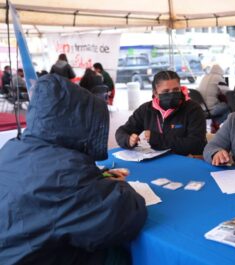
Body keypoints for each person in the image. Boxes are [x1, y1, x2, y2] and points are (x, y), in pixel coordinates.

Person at [0, 74, 147, 265]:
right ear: (78, 123)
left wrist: (96, 179)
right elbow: (126, 214)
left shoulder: (11, 148)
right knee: (119, 255)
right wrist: (117, 187)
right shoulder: (67, 173)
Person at [116, 70, 207, 156]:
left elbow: (196, 144)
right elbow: (122, 132)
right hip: (155, 160)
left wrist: (157, 139)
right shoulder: (146, 110)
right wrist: (128, 140)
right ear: (155, 93)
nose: (172, 94)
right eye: (166, 91)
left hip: (186, 159)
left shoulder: (193, 109)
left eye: (176, 90)